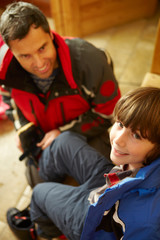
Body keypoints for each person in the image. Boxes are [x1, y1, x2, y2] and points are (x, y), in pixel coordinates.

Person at [0, 1, 120, 186]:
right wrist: (23, 128)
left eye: (42, 48)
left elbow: (109, 113)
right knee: (37, 186)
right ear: (11, 51)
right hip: (43, 139)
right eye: (25, 56)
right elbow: (8, 101)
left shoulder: (90, 61)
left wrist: (63, 132)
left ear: (51, 34)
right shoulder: (4, 71)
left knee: (105, 180)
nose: (39, 63)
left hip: (88, 134)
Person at [27, 87, 160, 240]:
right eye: (120, 124)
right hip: (115, 182)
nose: (118, 140)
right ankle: (45, 183)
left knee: (38, 193)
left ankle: (48, 232)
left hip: (96, 224)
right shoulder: (142, 159)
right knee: (64, 140)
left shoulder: (146, 220)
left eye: (136, 135)